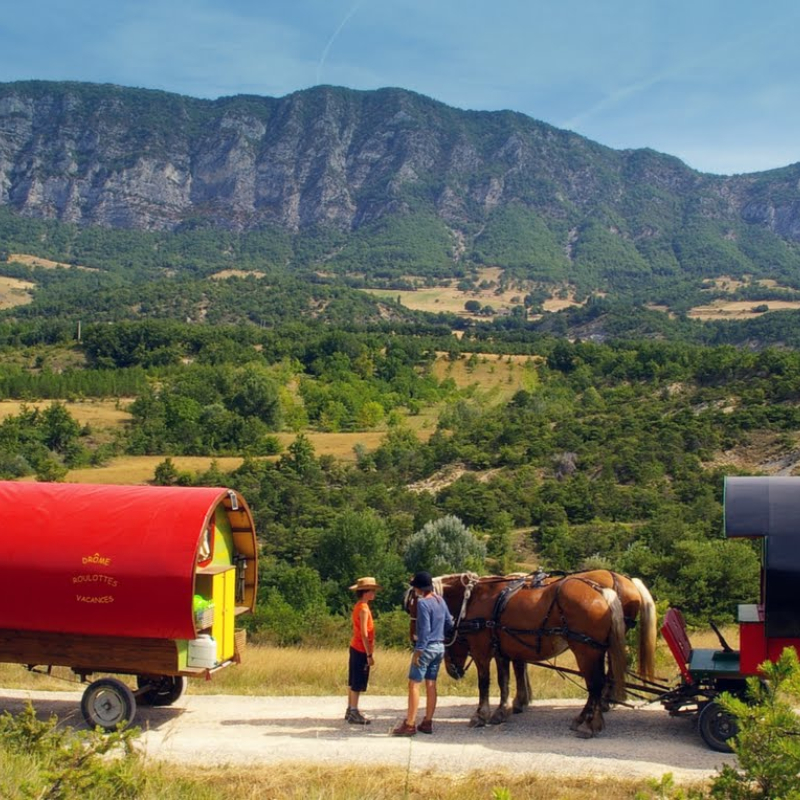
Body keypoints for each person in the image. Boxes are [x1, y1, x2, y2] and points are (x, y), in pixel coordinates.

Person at [392, 570, 454, 736]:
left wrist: (419, 650)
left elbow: (425, 630)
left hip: (426, 648)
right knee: (431, 684)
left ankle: (410, 724)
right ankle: (427, 721)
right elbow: (449, 622)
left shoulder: (423, 604)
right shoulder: (440, 600)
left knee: (414, 684)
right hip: (440, 647)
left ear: (419, 588)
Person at [346, 576, 381, 724]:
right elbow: (364, 633)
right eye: (371, 591)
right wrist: (369, 654)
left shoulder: (358, 606)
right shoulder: (364, 609)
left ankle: (350, 709)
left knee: (353, 679)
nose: (374, 593)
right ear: (365, 592)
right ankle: (354, 711)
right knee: (358, 681)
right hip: (361, 648)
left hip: (355, 646)